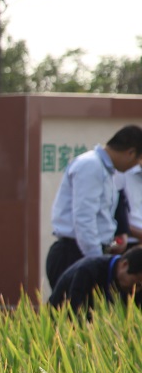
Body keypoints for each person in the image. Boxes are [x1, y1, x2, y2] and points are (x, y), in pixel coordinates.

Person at [46, 125, 142, 289]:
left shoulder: (106, 170)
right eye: (136, 161)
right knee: (74, 312)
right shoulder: (91, 165)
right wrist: (97, 261)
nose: (134, 167)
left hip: (88, 252)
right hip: (75, 253)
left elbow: (102, 216)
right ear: (130, 152)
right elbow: (84, 219)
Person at [48, 246, 142, 313]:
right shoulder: (88, 272)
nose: (137, 289)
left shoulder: (127, 282)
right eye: (137, 284)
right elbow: (75, 311)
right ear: (124, 265)